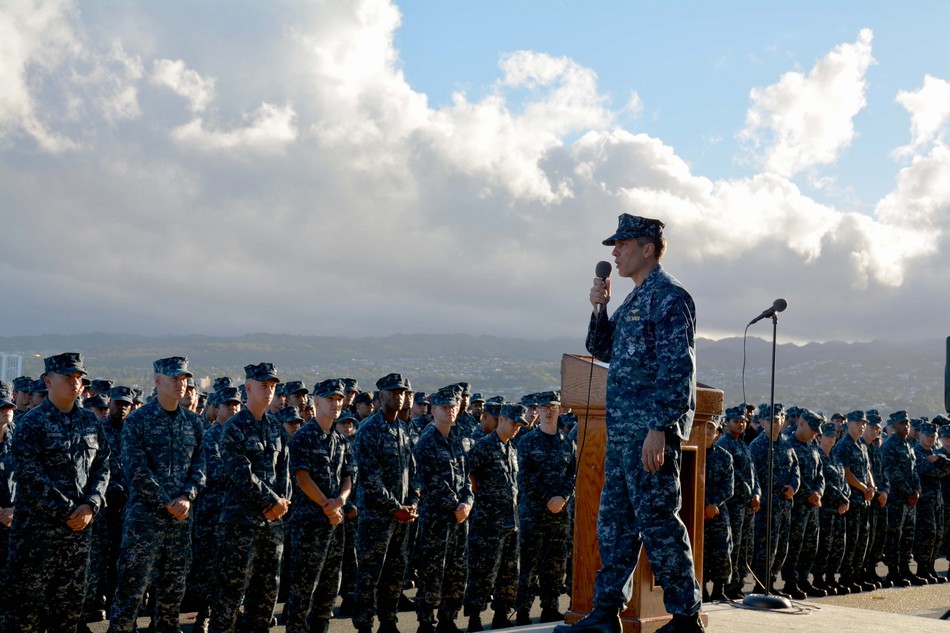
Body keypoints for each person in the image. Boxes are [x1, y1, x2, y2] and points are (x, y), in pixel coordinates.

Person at [556, 214, 703, 633]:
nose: (615, 253)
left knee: (658, 522)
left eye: (622, 245)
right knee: (615, 525)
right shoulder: (634, 300)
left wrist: (660, 428)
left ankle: (686, 618)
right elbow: (601, 348)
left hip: (649, 435)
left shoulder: (669, 297)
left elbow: (677, 370)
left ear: (648, 248)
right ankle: (605, 613)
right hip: (622, 435)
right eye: (613, 247)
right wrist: (599, 307)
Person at [8, 353, 111, 632]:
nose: (75, 382)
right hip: (37, 537)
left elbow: (103, 467)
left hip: (77, 536)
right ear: (48, 381)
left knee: (67, 615)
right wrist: (68, 510)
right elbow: (30, 475)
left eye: (79, 377)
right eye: (68, 377)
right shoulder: (32, 423)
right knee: (24, 615)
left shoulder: (90, 423)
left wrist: (90, 504)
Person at [108, 357, 206, 633]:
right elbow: (135, 469)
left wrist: (187, 495)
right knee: (132, 589)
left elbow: (200, 466)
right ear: (158, 381)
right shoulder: (138, 421)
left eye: (184, 378)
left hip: (180, 522)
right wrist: (165, 501)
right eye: (174, 378)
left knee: (172, 593)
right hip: (145, 521)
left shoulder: (194, 423)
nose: (181, 383)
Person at [210, 363, 291, 633]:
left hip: (273, 525)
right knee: (231, 595)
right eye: (263, 386)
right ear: (248, 388)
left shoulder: (276, 428)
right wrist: (272, 502)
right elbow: (239, 472)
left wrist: (282, 503)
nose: (269, 391)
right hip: (240, 524)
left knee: (267, 594)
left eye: (273, 386)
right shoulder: (233, 428)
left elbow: (285, 472)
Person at [283, 379, 355, 633]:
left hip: (335, 522)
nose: (336, 404)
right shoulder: (304, 436)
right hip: (310, 522)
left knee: (329, 586)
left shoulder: (341, 440)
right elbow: (302, 478)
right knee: (304, 586)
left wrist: (341, 501)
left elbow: (348, 476)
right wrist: (328, 505)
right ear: (316, 402)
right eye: (330, 399)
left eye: (339, 399)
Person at [351, 373, 419, 633]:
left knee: (395, 573)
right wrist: (395, 508)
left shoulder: (403, 428)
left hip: (402, 517)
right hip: (376, 518)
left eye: (401, 392)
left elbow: (413, 473)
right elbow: (370, 478)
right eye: (393, 392)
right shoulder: (369, 429)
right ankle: (365, 625)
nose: (399, 396)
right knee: (370, 575)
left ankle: (388, 622)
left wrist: (412, 502)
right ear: (381, 396)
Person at [412, 384, 473, 633]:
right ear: (434, 410)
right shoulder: (426, 442)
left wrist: (467, 502)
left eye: (453, 407)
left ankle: (448, 618)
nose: (450, 411)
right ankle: (426, 622)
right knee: (432, 572)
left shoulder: (459, 440)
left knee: (457, 571)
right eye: (445, 407)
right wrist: (455, 505)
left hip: (459, 517)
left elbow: (467, 477)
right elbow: (431, 481)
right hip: (437, 518)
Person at [463, 403, 527, 632]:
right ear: (501, 419)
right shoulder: (483, 448)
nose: (516, 429)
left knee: (510, 573)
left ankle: (501, 614)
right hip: (488, 524)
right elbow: (467, 476)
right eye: (513, 423)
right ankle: (475, 618)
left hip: (511, 523)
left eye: (519, 426)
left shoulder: (512, 449)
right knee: (483, 572)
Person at [514, 390, 576, 624]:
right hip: (534, 512)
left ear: (560, 410)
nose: (549, 411)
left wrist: (563, 497)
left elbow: (572, 473)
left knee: (555, 564)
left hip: (560, 513)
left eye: (553, 407)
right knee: (529, 562)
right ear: (537, 411)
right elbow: (526, 477)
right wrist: (549, 499)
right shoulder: (527, 441)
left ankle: (550, 607)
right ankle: (522, 610)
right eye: (544, 407)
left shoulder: (567, 443)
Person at [714, 406, 760, 600]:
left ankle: (738, 583)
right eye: (736, 421)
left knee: (745, 546)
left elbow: (753, 473)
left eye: (743, 421)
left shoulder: (743, 445)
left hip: (748, 506)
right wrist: (749, 493)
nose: (741, 424)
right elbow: (735, 477)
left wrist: (757, 493)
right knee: (732, 546)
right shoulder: (725, 444)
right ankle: (726, 585)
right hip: (733, 504)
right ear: (727, 423)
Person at [780, 409, 825, 599]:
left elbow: (820, 475)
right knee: (795, 545)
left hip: (812, 506)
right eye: (812, 429)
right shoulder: (788, 445)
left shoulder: (813, 446)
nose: (815, 433)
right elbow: (791, 476)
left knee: (810, 545)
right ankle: (791, 582)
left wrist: (819, 492)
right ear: (801, 424)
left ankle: (804, 579)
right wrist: (809, 493)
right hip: (797, 506)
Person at [701, 417, 733, 602]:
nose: (706, 432)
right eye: (704, 427)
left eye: (710, 428)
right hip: (696, 511)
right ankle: (701, 588)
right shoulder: (690, 453)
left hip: (718, 512)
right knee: (700, 551)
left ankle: (719, 589)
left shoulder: (724, 456)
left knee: (722, 550)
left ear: (718, 433)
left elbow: (728, 487)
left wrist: (714, 504)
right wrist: (704, 504)